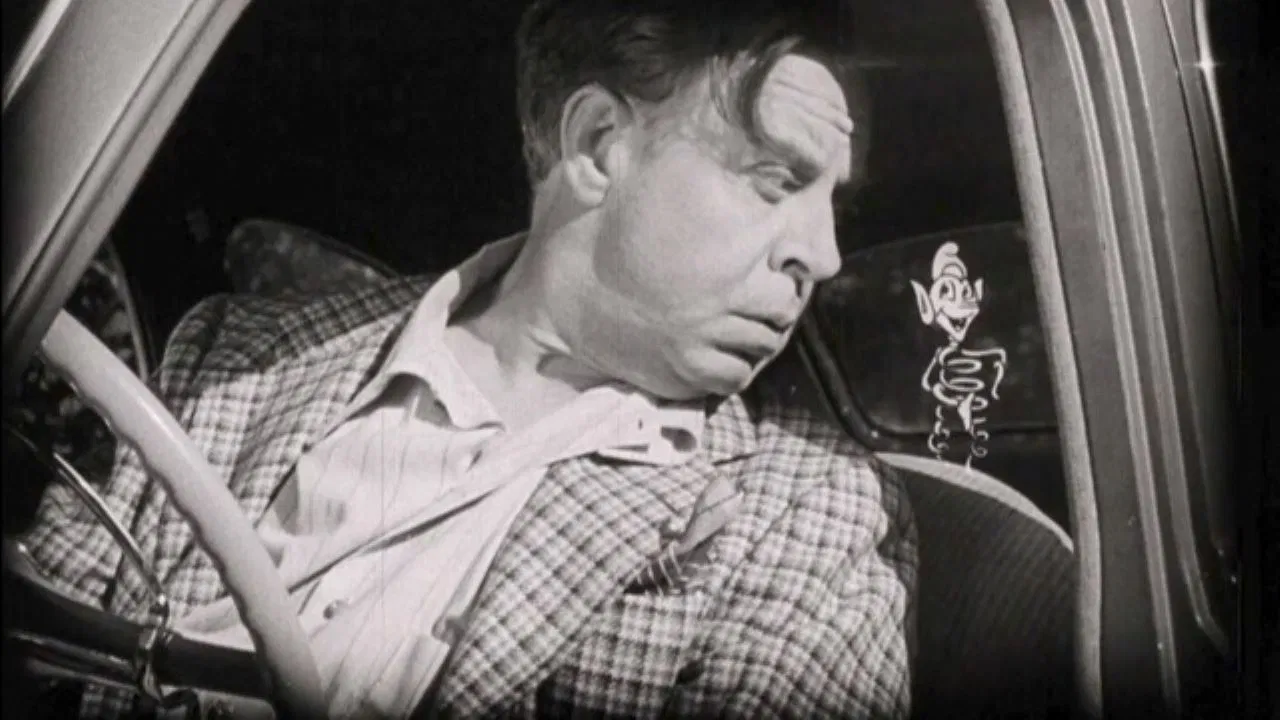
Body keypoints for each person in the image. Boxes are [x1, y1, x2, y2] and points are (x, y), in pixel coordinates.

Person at [22, 0, 917, 717]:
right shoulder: (234, 356)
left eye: (834, 206)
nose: (824, 255)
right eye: (776, 181)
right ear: (598, 143)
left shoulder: (805, 521)